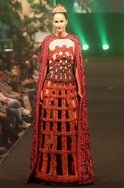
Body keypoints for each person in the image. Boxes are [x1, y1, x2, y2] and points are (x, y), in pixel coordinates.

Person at [28, 4, 94, 185]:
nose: (58, 24)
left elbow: (77, 69)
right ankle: (49, 170)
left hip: (69, 90)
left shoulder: (75, 41)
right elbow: (44, 68)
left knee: (70, 128)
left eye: (61, 21)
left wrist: (80, 89)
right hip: (50, 89)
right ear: (52, 22)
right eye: (55, 21)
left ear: (66, 21)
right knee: (51, 129)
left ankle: (71, 170)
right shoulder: (48, 42)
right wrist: (41, 90)